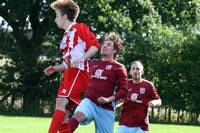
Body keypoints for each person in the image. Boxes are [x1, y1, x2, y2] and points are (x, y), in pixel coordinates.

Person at [43, 0, 100, 133]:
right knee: (64, 116)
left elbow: (95, 45)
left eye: (56, 15)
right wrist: (55, 69)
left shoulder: (79, 27)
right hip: (69, 74)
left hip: (79, 73)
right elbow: (67, 63)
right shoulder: (66, 35)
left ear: (64, 16)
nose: (55, 19)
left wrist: (83, 58)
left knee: (60, 103)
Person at [62, 32, 128, 133]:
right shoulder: (92, 63)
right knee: (78, 115)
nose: (104, 46)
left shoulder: (119, 67)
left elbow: (123, 90)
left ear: (115, 50)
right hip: (89, 102)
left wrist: (108, 99)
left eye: (109, 44)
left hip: (106, 108)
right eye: (104, 44)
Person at [117, 60, 162, 133]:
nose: (135, 71)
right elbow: (120, 100)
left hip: (141, 126)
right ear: (130, 72)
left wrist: (154, 103)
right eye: (133, 69)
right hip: (125, 124)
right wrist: (114, 105)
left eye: (138, 69)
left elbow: (159, 101)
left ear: (142, 72)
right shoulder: (125, 84)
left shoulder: (148, 85)